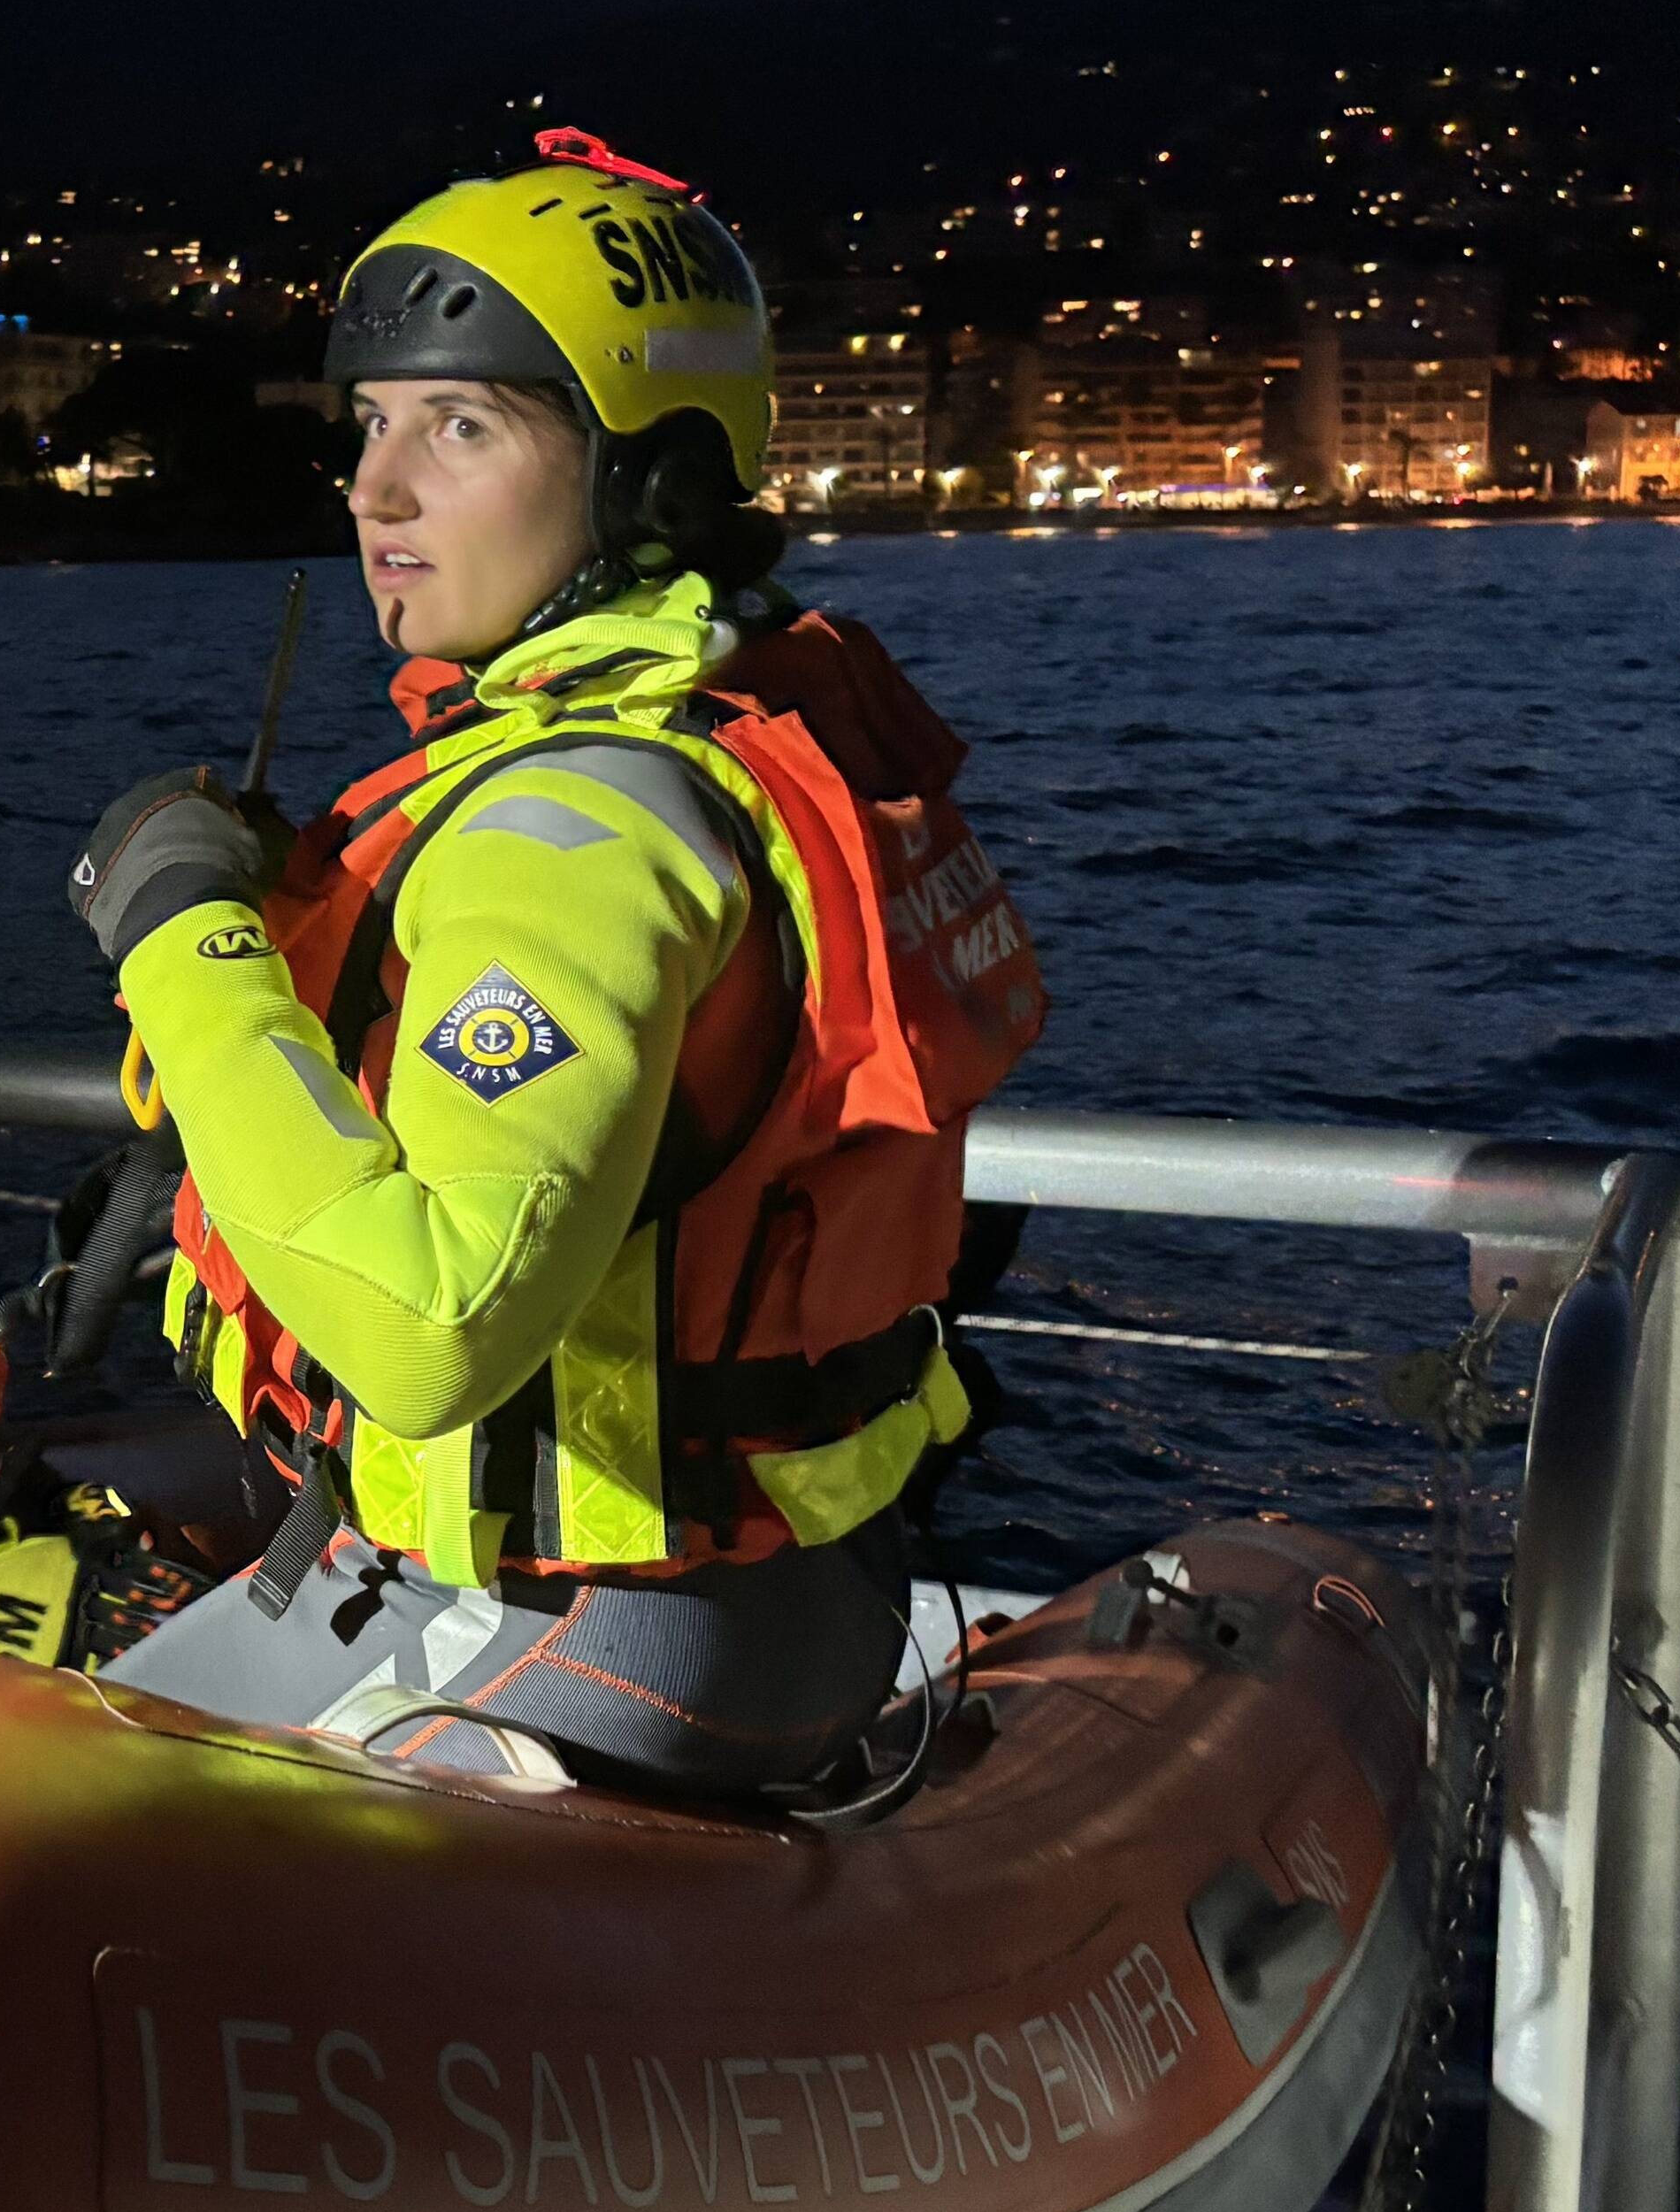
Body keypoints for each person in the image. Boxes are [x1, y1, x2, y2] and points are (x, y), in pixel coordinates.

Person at [63, 131, 1041, 1809]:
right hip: (783, 1589)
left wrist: (178, 934)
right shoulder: (710, 738)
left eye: (461, 425)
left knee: (29, 1815)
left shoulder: (572, 823)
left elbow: (431, 1333)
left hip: (603, 1616)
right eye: (373, 423)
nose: (376, 489)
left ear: (645, 475)